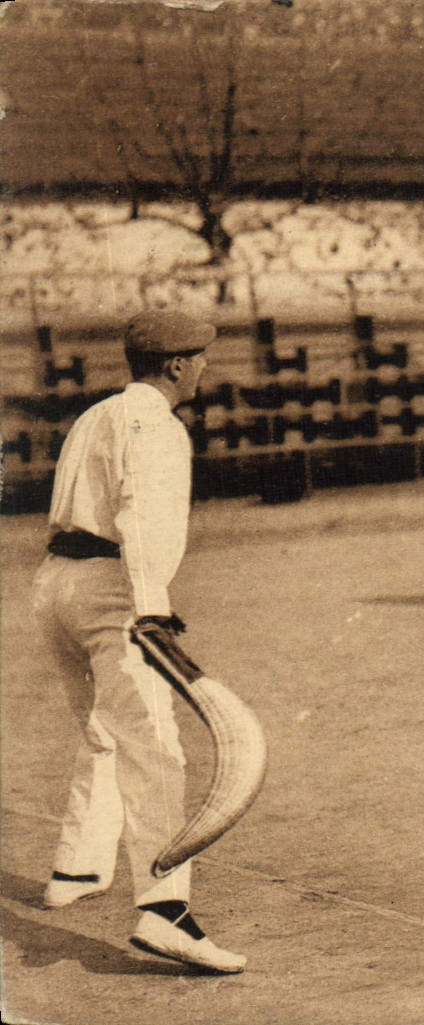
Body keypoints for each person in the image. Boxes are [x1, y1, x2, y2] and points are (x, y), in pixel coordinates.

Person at [32, 309, 248, 972]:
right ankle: (164, 911)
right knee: (155, 747)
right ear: (176, 365)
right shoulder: (157, 425)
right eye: (200, 357)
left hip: (54, 585)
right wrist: (151, 611)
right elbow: (140, 517)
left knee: (105, 725)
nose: (206, 367)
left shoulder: (96, 414)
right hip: (110, 591)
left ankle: (75, 867)